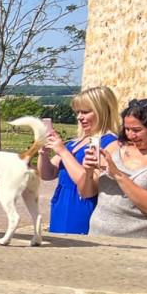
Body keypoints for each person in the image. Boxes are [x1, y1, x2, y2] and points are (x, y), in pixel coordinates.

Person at [81, 98, 147, 239]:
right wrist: (88, 172)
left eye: (137, 130)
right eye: (127, 129)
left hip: (140, 245)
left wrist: (118, 175)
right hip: (98, 237)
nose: (130, 135)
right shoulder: (114, 148)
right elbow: (86, 193)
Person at [41, 86, 120, 234]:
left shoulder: (109, 143)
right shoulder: (75, 143)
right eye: (77, 112)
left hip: (82, 205)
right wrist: (43, 153)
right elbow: (47, 174)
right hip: (62, 203)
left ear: (102, 111)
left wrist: (63, 152)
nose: (79, 117)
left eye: (85, 112)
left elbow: (90, 185)